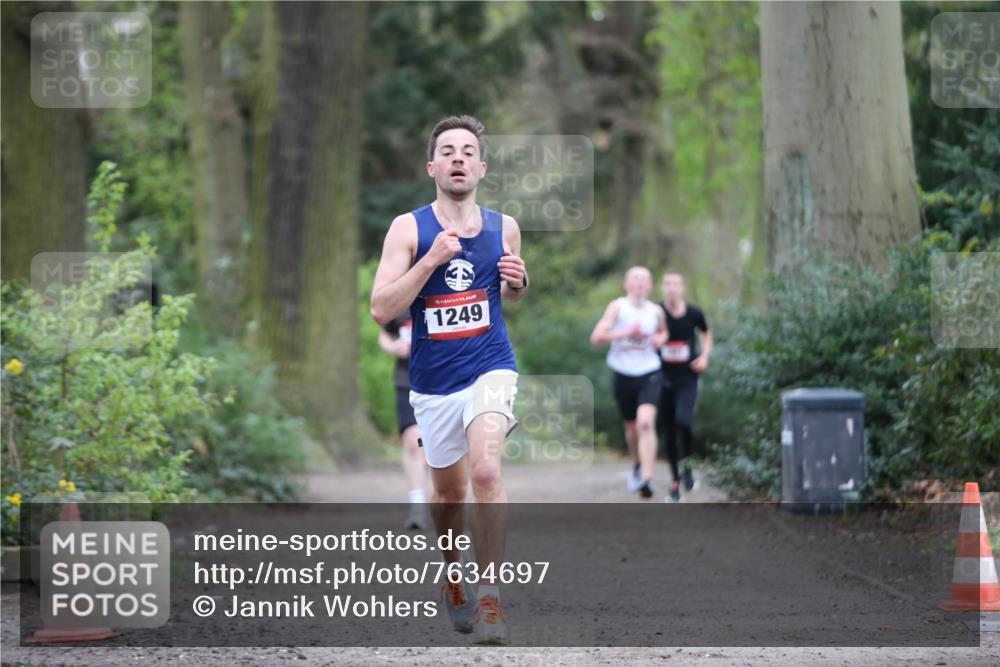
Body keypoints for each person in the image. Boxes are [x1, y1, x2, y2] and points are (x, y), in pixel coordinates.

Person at [370, 115, 527, 646]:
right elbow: (380, 308)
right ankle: (452, 571)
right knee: (449, 498)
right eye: (447, 150)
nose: (458, 158)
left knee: (485, 470)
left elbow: (510, 291)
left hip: (490, 366)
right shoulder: (408, 229)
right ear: (431, 165)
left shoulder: (504, 226)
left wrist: (520, 282)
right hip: (434, 383)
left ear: (481, 167)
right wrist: (431, 259)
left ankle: (491, 597)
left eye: (467, 151)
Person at [590, 266, 667, 500]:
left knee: (645, 423)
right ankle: (637, 462)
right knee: (632, 430)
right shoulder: (618, 307)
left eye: (645, 280)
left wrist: (657, 340)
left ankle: (647, 477)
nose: (640, 283)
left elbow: (664, 333)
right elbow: (596, 337)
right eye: (635, 279)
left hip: (650, 372)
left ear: (650, 286)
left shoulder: (656, 311)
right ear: (627, 285)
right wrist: (623, 333)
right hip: (623, 373)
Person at [657, 271, 712, 502]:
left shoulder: (694, 313)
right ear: (662, 288)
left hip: (688, 377)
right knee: (668, 429)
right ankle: (675, 481)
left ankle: (687, 466)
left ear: (683, 288)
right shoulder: (656, 312)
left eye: (676, 284)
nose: (672, 288)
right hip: (661, 377)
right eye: (667, 284)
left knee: (684, 421)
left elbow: (706, 333)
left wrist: (705, 356)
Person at [378, 312, 430, 530]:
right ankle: (417, 507)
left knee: (438, 447)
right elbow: (384, 334)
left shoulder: (446, 292)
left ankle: (447, 502)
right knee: (413, 441)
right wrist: (393, 347)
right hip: (407, 380)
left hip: (446, 381)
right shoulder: (402, 300)